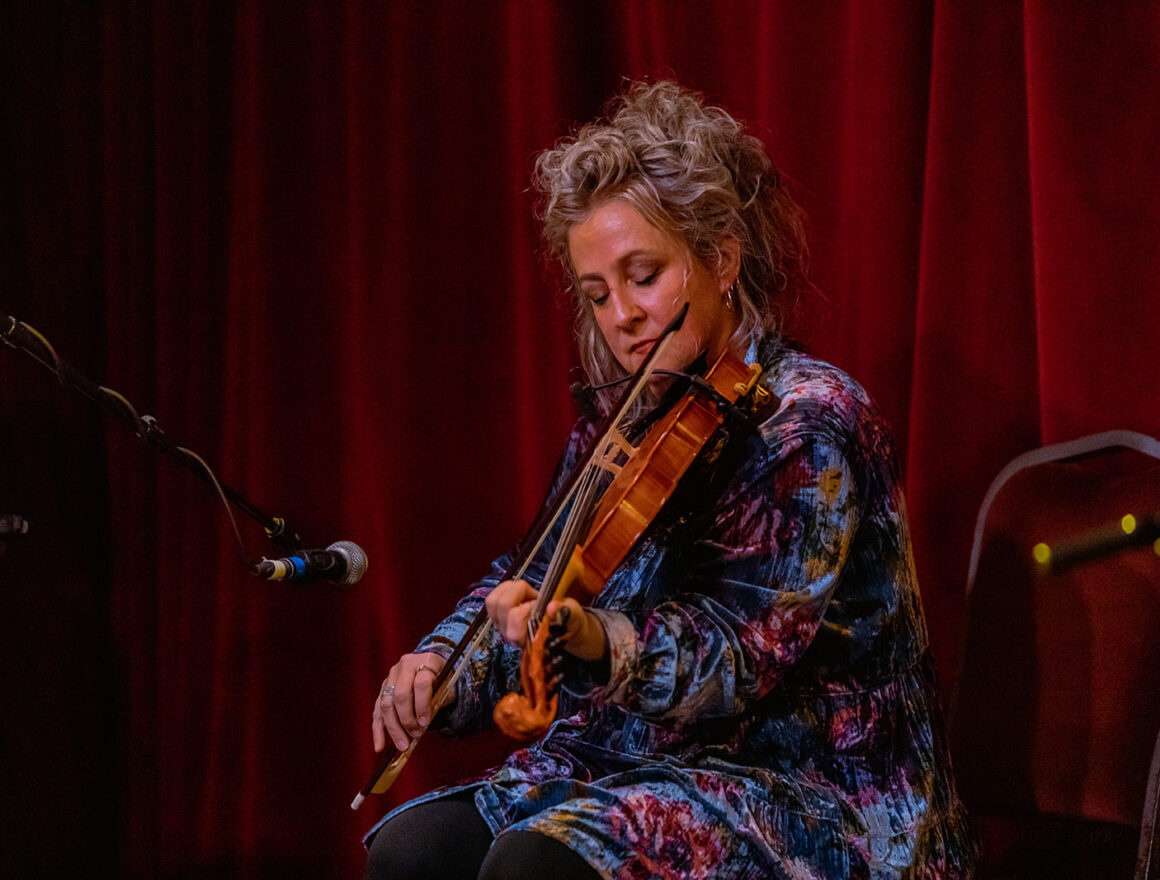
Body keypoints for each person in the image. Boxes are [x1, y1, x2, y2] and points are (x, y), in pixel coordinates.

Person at [364, 81, 978, 880]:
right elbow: (534, 577)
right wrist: (442, 668)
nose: (622, 315)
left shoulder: (808, 423)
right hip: (632, 763)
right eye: (597, 294)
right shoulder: (625, 422)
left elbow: (736, 656)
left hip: (802, 787)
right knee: (415, 853)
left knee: (538, 866)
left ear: (720, 260)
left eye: (644, 275)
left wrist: (593, 639)